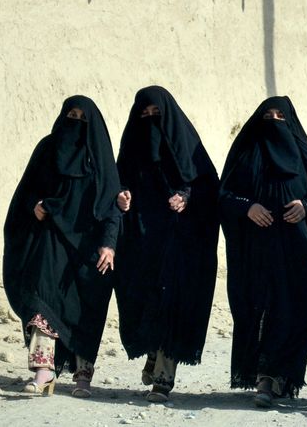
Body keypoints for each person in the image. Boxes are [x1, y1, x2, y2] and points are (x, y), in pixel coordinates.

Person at [3, 95, 121, 398]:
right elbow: (26, 191)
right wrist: (35, 206)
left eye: (83, 118)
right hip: (51, 240)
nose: (77, 123)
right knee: (41, 302)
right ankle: (43, 372)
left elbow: (111, 205)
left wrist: (109, 245)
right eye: (72, 115)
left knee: (85, 312)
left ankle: (83, 376)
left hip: (89, 249)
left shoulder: (100, 156)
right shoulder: (47, 149)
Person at [114, 86, 220, 402]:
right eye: (144, 115)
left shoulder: (189, 147)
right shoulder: (132, 147)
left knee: (172, 303)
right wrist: (122, 193)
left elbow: (208, 187)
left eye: (156, 115)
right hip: (142, 240)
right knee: (143, 301)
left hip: (181, 241)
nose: (149, 121)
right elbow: (118, 179)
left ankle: (163, 378)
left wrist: (187, 198)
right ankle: (152, 351)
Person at [219, 96, 307, 407]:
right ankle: (263, 375)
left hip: (297, 251)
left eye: (281, 115)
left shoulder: (305, 156)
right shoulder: (246, 153)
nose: (275, 120)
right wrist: (247, 207)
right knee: (259, 308)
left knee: (294, 310)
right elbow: (224, 196)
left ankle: (279, 375)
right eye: (268, 115)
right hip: (256, 250)